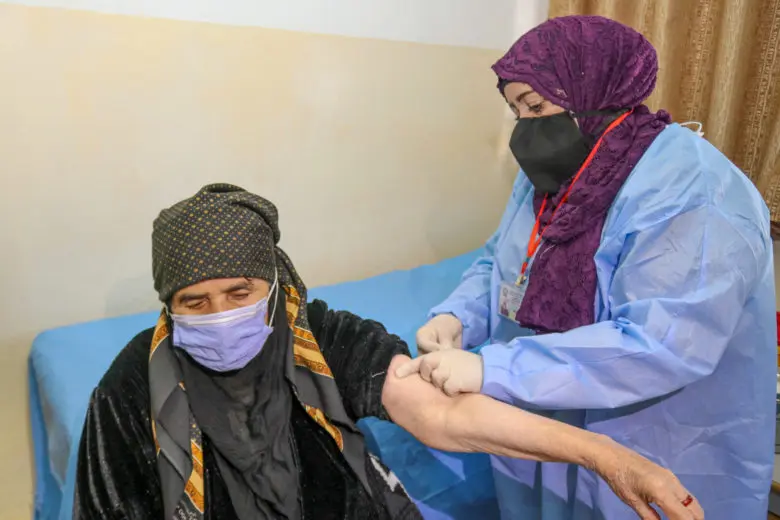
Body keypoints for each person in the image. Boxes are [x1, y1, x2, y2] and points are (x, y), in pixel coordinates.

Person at [73, 183, 701, 520]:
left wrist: (606, 456)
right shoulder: (132, 385)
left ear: (273, 283)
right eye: (194, 301)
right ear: (168, 304)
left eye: (239, 292)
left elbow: (444, 414)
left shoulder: (319, 335)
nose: (219, 315)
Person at [400, 14, 775, 520]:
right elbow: (504, 261)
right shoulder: (559, 169)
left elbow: (662, 342)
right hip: (543, 416)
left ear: (592, 86)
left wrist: (494, 368)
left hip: (655, 433)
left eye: (536, 106)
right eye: (516, 111)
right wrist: (459, 317)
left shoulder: (694, 193)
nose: (527, 128)